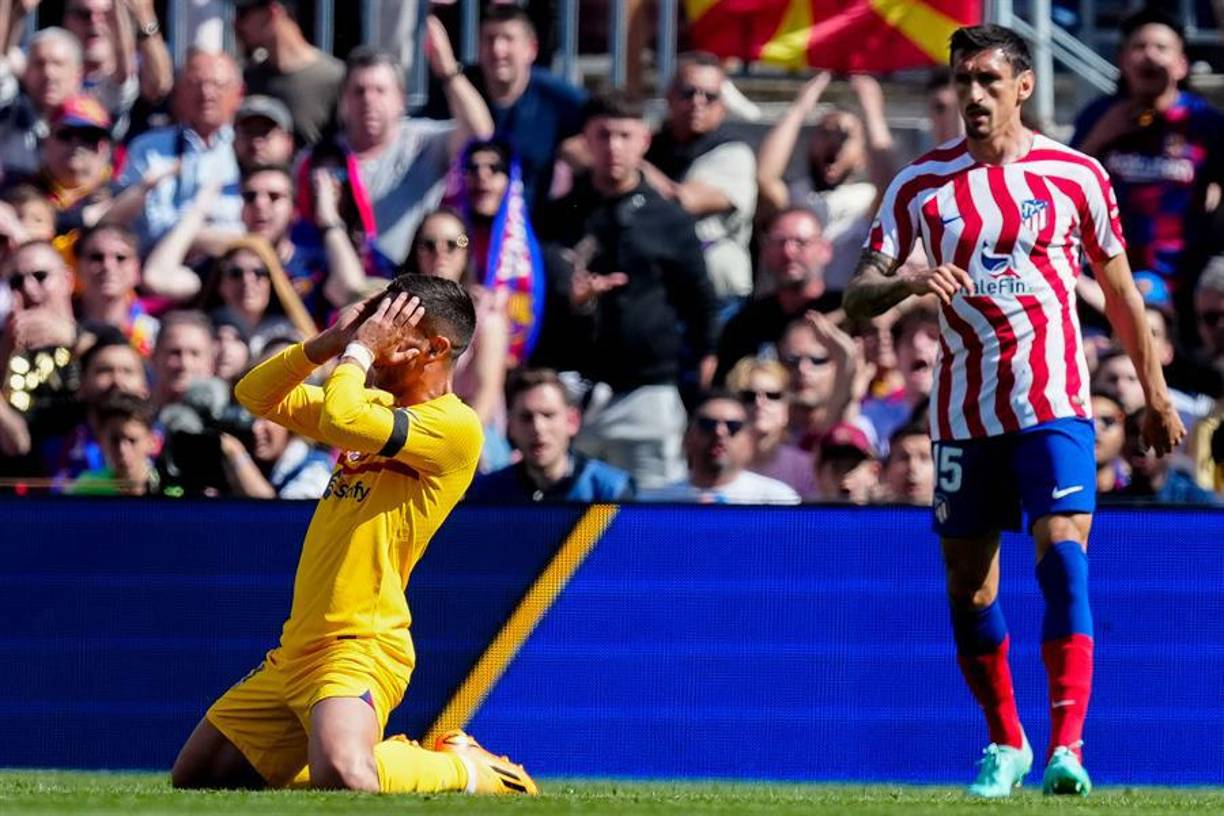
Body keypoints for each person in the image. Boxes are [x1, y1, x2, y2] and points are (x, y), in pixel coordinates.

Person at [843, 24, 1186, 797]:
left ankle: (1068, 747)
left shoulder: (1076, 175)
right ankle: (1007, 742)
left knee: (1064, 556)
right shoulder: (920, 186)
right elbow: (856, 298)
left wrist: (1155, 394)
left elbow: (1122, 295)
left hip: (1054, 401)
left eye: (988, 80)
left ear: (1023, 87)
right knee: (970, 589)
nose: (973, 95)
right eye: (962, 80)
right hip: (963, 416)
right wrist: (908, 282)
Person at [170, 275, 538, 796]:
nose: (379, 339)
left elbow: (342, 416)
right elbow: (254, 394)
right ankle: (333, 756)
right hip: (298, 648)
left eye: (394, 330)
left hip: (361, 643)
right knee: (198, 778)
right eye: (376, 324)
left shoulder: (455, 426)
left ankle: (468, 770)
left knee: (347, 775)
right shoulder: (376, 412)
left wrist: (358, 352)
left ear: (435, 349)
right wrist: (329, 342)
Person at [534, 90, 717, 490]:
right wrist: (573, 298)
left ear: (644, 141)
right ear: (586, 139)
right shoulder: (558, 215)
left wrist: (702, 371)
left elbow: (699, 301)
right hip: (574, 392)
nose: (613, 147)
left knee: (651, 509)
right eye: (603, 135)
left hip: (648, 392)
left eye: (624, 135)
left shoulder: (669, 219)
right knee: (569, 510)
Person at [1071, 8, 1224, 296]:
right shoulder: (1099, 115)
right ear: (1122, 60)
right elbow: (1062, 185)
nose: (1149, 55)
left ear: (1181, 64)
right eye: (1139, 47)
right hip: (1106, 275)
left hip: (1183, 279)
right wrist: (1100, 137)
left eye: (1161, 48)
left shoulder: (1205, 121)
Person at [315, 35, 492, 269]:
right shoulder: (321, 157)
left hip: (411, 281)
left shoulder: (423, 142)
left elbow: (481, 135)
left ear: (401, 99)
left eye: (380, 90)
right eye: (359, 91)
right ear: (344, 100)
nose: (368, 100)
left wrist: (449, 72)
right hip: (345, 282)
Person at [757, 72, 896, 291]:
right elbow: (765, 177)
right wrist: (801, 107)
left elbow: (891, 185)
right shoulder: (796, 195)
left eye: (845, 136)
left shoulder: (866, 199)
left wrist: (872, 110)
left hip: (840, 306)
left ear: (862, 156)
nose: (834, 143)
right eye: (825, 133)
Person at [644, 52, 757, 319]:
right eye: (688, 93)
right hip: (661, 293)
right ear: (669, 97)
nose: (698, 102)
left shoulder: (733, 153)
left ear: (723, 105)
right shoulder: (651, 146)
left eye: (710, 96)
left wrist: (629, 162)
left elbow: (684, 201)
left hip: (718, 297)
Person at [463, 4, 587, 215]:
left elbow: (607, 118)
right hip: (465, 227)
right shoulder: (460, 89)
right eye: (489, 39)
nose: (497, 50)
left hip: (530, 226)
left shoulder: (555, 96)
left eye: (508, 39)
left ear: (531, 49)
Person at [466, 367, 633, 502]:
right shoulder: (486, 494)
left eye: (548, 415)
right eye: (526, 417)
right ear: (510, 426)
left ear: (572, 421)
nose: (538, 428)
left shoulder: (610, 492)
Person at [714, 207, 839, 383]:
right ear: (765, 251)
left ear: (825, 250)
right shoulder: (746, 324)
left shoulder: (847, 313)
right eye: (779, 243)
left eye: (801, 242)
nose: (788, 252)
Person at [641, 390, 800, 504]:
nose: (719, 432)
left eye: (733, 426)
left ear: (749, 441)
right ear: (686, 438)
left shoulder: (776, 500)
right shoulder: (656, 503)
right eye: (707, 424)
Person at [236, 0, 344, 147]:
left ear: (272, 13)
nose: (237, 24)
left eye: (243, 14)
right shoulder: (249, 78)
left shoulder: (334, 77)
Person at [62, 0, 173, 137]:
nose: (95, 21)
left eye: (106, 14)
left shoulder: (137, 68)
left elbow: (159, 86)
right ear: (67, 20)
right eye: (84, 14)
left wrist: (144, 16)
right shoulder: (50, 69)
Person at [723, 356, 815, 499]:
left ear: (787, 408)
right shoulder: (719, 462)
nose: (760, 403)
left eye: (773, 395)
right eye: (749, 396)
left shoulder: (805, 468)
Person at [70, 388, 162, 495]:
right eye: (115, 440)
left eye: (132, 440)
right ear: (101, 441)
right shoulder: (86, 488)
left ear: (152, 442)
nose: (122, 450)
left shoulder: (169, 487)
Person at [813, 421, 880, 505]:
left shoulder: (891, 512)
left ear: (873, 471)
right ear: (818, 472)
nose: (845, 477)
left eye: (852, 466)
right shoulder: (801, 512)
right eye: (837, 468)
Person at [877, 422, 934, 505]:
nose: (912, 467)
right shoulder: (865, 512)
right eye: (904, 458)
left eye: (924, 457)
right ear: (884, 471)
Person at [233, 95, 296, 168]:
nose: (256, 143)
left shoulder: (303, 174)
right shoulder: (223, 173)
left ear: (288, 142)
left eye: (265, 132)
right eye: (249, 132)